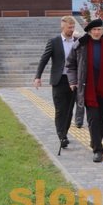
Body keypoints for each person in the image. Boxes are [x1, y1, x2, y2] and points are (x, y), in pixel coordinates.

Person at [66, 18, 103, 163]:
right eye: (94, 30)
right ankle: (98, 150)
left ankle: (95, 140)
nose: (97, 32)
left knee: (102, 120)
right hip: (88, 89)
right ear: (89, 32)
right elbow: (70, 65)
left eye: (99, 29)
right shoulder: (81, 45)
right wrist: (73, 81)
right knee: (93, 120)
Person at [34, 16, 77, 151]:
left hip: (73, 81)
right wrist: (38, 76)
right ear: (62, 27)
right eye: (69, 27)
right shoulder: (54, 42)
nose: (71, 30)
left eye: (73, 27)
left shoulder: (77, 42)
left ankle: (65, 132)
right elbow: (44, 59)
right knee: (60, 109)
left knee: (69, 110)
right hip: (59, 80)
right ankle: (61, 136)